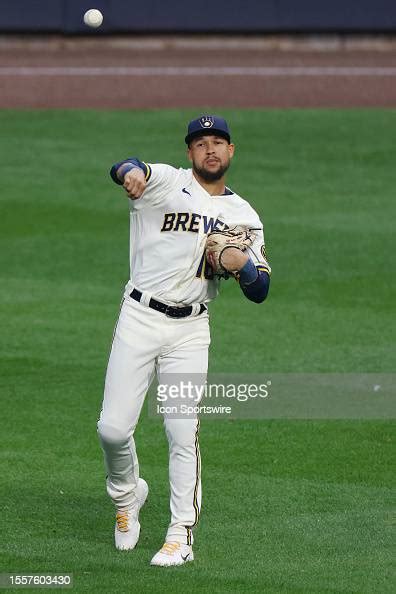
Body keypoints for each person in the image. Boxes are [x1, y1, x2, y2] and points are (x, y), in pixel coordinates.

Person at [97, 115, 271, 567]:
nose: (210, 149)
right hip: (138, 315)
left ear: (231, 151)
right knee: (112, 429)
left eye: (218, 142)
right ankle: (127, 495)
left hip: (190, 331)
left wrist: (240, 264)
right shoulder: (168, 183)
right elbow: (128, 166)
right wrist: (130, 174)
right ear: (189, 152)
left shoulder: (245, 216)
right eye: (200, 143)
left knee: (181, 432)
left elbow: (260, 291)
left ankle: (180, 535)